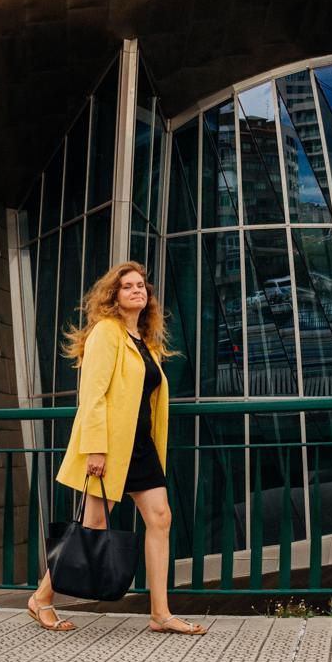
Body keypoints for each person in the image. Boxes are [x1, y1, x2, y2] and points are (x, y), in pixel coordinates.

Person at [28, 261, 205, 636]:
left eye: (142, 285)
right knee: (92, 526)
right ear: (114, 295)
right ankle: (42, 597)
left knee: (161, 518)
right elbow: (91, 395)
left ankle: (160, 613)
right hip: (109, 447)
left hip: (141, 448)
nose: (137, 290)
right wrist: (95, 448)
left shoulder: (144, 342)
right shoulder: (106, 333)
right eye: (128, 286)